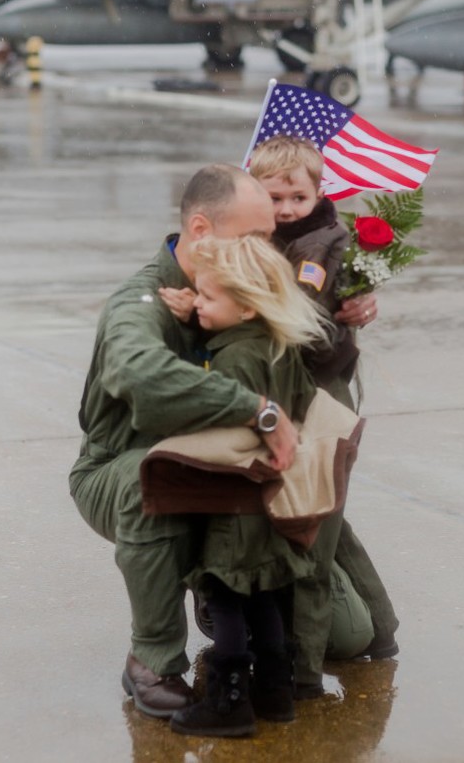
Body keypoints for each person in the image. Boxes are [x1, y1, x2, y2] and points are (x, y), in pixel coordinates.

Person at [69, 164, 345, 719]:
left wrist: (352, 312)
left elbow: (307, 345)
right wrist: (257, 410)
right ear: (201, 230)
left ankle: (218, 585)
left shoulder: (238, 280)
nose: (270, 249)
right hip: (124, 467)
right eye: (254, 237)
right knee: (154, 480)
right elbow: (142, 375)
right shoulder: (140, 304)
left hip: (233, 473)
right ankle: (152, 658)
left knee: (350, 633)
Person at [168, 233, 331, 736]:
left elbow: (215, 415)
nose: (197, 301)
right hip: (271, 500)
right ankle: (275, 692)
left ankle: (229, 702)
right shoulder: (278, 348)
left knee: (223, 592)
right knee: (262, 593)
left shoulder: (234, 359)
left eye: (208, 296)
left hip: (233, 502)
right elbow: (303, 405)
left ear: (245, 309)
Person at [248, 135, 400, 658]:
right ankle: (380, 626)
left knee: (322, 516)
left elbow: (305, 323)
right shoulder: (265, 236)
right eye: (274, 198)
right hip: (292, 386)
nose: (287, 209)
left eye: (297, 198)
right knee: (325, 512)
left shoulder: (316, 245)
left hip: (319, 388)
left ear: (318, 194)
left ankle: (349, 638)